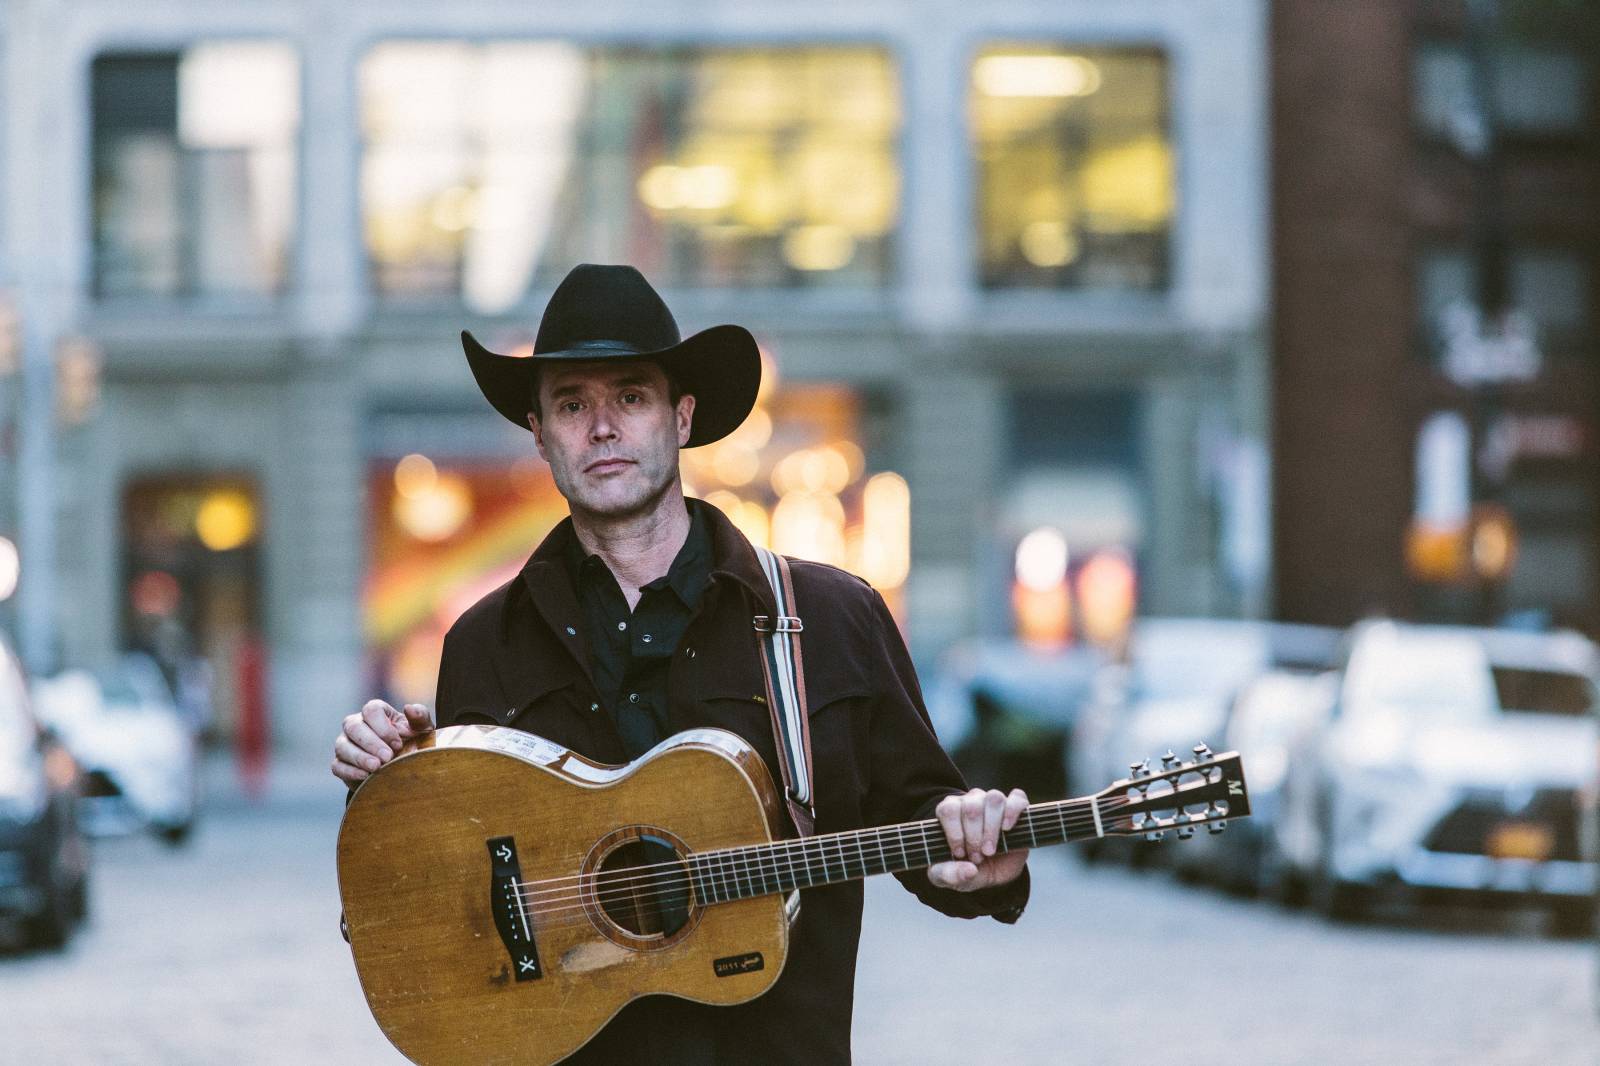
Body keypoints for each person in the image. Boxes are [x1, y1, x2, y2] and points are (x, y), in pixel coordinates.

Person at [331, 264, 1030, 1064]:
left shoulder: (829, 618)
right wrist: (386, 782)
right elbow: (435, 887)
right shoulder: (485, 642)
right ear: (539, 432)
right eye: (571, 404)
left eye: (630, 396)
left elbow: (929, 827)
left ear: (682, 416)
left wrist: (988, 862)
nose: (602, 428)